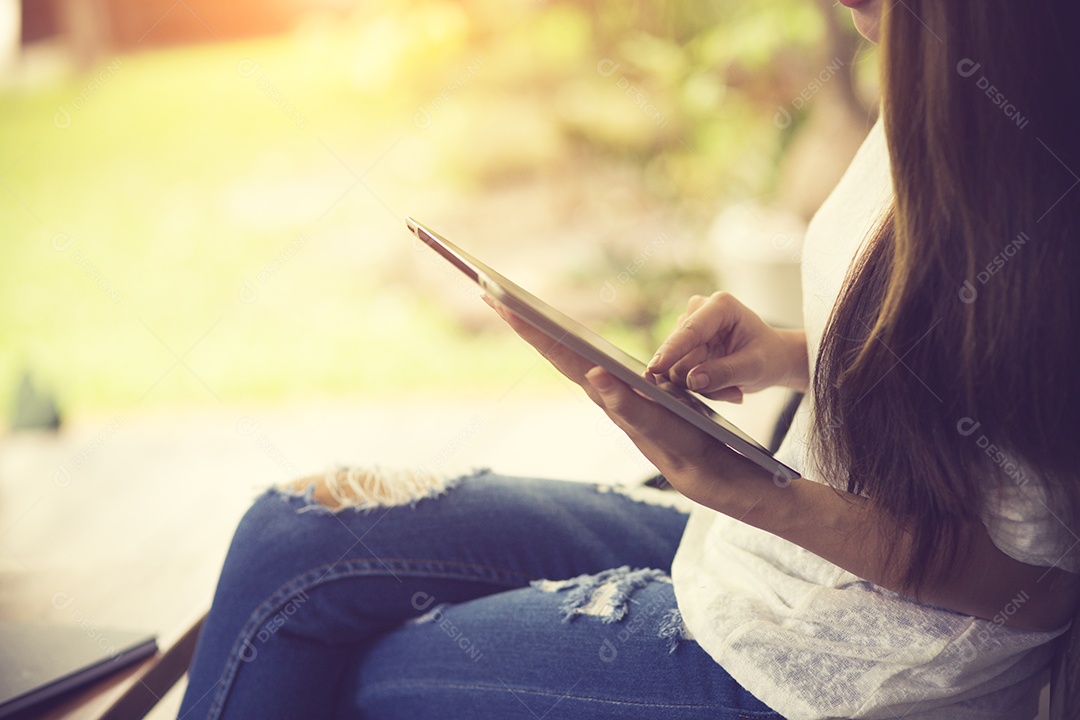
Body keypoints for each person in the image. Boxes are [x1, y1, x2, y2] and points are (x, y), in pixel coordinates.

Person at [179, 1, 1080, 718]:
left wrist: (758, 496)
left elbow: (1041, 589)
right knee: (293, 529)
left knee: (349, 673)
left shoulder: (1042, 189)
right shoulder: (935, 84)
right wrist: (786, 354)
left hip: (830, 667)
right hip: (764, 551)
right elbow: (961, 372)